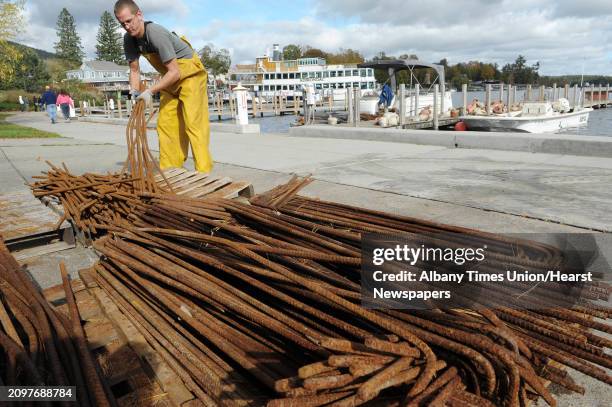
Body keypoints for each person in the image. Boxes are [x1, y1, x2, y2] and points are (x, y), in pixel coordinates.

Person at [114, 0, 212, 173]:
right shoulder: (129, 39)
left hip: (190, 76)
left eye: (129, 21)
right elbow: (134, 70)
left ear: (139, 15)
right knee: (166, 125)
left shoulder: (155, 33)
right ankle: (171, 171)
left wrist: (149, 92)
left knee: (194, 125)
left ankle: (204, 173)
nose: (127, 27)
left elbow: (175, 72)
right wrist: (135, 93)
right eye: (122, 24)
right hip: (170, 80)